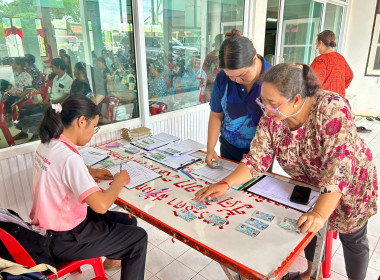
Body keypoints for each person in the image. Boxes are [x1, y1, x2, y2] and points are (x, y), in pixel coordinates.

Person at [195, 63, 378, 280]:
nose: (265, 109)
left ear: (297, 99)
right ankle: (311, 274)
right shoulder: (273, 118)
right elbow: (256, 159)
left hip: (350, 184)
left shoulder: (331, 108)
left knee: (353, 237)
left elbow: (339, 169)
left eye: (272, 103)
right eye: (262, 101)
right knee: (308, 227)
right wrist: (225, 183)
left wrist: (320, 214)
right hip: (310, 184)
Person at [30, 94, 147, 280]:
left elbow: (60, 171)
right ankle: (123, 252)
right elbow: (100, 205)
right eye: (95, 126)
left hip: (47, 229)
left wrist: (88, 171)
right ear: (82, 121)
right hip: (63, 239)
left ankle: (113, 258)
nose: (93, 132)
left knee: (128, 221)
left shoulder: (47, 143)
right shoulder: (70, 158)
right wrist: (118, 182)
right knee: (138, 237)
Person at [207, 28, 271, 164]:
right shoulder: (222, 78)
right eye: (231, 77)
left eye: (242, 75)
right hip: (228, 146)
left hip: (260, 153)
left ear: (254, 59)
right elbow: (216, 114)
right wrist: (210, 148)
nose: (236, 80)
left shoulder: (273, 78)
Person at [311, 30, 353, 97]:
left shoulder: (320, 60)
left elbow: (312, 83)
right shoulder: (340, 58)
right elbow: (349, 76)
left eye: (316, 44)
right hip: (340, 101)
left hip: (324, 101)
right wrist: (339, 87)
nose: (316, 47)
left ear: (321, 43)